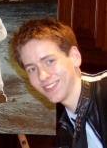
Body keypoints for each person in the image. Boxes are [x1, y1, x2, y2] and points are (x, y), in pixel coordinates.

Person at [10, 18, 107, 148]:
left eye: (49, 61)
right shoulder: (65, 137)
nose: (42, 75)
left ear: (74, 56)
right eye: (32, 69)